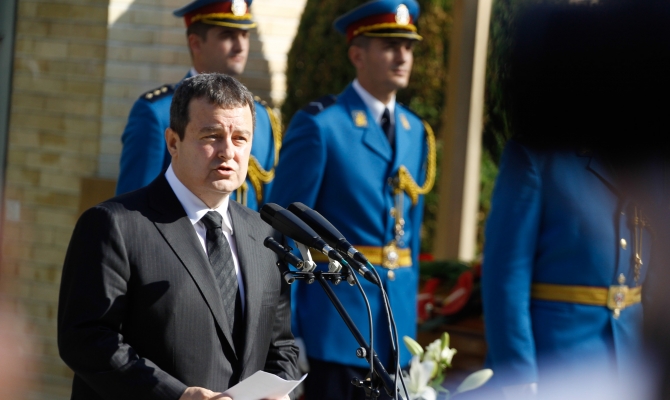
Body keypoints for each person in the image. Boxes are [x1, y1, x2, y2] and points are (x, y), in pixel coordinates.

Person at [58, 74, 299, 400]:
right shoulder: (114, 225)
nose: (228, 152)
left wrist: (277, 390)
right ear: (173, 142)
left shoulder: (266, 234)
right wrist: (178, 395)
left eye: (240, 138)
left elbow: (280, 345)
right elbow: (86, 339)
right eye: (212, 136)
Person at [482, 2, 670, 398]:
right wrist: (519, 378)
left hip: (630, 365)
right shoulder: (536, 157)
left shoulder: (646, 165)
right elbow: (505, 278)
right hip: (557, 364)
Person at [266, 1, 435, 398]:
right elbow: (282, 232)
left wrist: (410, 324)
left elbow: (409, 241)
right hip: (334, 328)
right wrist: (287, 333)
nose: (402, 56)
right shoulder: (323, 125)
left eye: (408, 46)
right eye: (389, 46)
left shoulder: (415, 131)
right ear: (357, 54)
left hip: (396, 330)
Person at [116, 0, 281, 211]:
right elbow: (132, 210)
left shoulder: (264, 117)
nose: (240, 46)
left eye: (244, 35)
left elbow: (269, 210)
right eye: (227, 35)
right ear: (195, 43)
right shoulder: (157, 113)